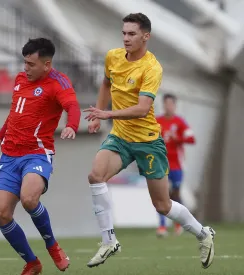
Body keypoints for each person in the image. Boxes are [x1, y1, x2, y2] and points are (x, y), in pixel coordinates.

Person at [83, 13, 216, 269]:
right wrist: (98, 115)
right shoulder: (113, 57)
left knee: (163, 205)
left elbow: (143, 109)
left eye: (132, 34)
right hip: (120, 137)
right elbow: (105, 83)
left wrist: (107, 113)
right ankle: (108, 240)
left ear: (146, 36)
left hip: (147, 142)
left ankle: (203, 234)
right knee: (95, 175)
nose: (126, 38)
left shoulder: (152, 67)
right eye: (123, 33)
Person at [0, 38, 80, 275]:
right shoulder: (20, 80)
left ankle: (53, 246)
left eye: (31, 64)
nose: (25, 68)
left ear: (47, 65)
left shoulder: (58, 83)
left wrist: (72, 125)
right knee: (2, 214)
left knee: (29, 199)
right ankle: (32, 262)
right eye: (24, 63)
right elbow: (15, 114)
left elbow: (73, 106)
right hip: (9, 156)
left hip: (37, 154)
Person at [156, 93, 196, 237]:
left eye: (171, 104)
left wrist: (177, 138)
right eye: (166, 103)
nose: (168, 106)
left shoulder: (180, 122)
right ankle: (162, 227)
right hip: (161, 163)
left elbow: (192, 139)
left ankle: (178, 223)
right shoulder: (157, 121)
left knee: (175, 194)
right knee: (161, 194)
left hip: (177, 165)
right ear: (163, 105)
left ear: (174, 105)